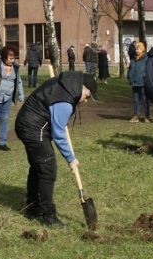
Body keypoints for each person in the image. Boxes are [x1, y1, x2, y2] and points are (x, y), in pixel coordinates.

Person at [14, 71, 97, 226]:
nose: (86, 101)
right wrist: (71, 159)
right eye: (87, 96)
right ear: (82, 88)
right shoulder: (64, 101)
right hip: (32, 127)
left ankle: (32, 207)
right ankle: (48, 215)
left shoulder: (66, 86)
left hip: (26, 122)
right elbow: (58, 134)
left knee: (38, 167)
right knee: (47, 169)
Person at [127, 41, 150, 123]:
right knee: (136, 100)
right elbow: (130, 69)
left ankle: (147, 116)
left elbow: (149, 71)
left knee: (145, 100)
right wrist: (129, 77)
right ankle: (135, 116)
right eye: (136, 49)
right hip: (134, 83)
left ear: (143, 50)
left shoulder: (147, 59)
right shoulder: (133, 59)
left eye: (139, 49)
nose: (137, 50)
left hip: (143, 83)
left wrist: (146, 78)